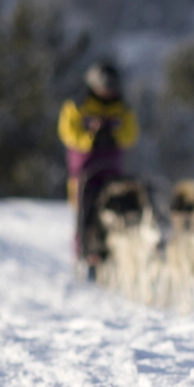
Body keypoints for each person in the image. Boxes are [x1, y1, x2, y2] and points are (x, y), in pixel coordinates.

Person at [58, 60, 140, 264]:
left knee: (117, 208)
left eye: (111, 88)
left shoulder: (122, 107)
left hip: (113, 170)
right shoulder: (78, 104)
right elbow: (67, 132)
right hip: (84, 170)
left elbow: (131, 133)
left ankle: (115, 255)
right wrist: (90, 137)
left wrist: (114, 136)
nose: (108, 92)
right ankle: (84, 254)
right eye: (104, 87)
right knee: (85, 211)